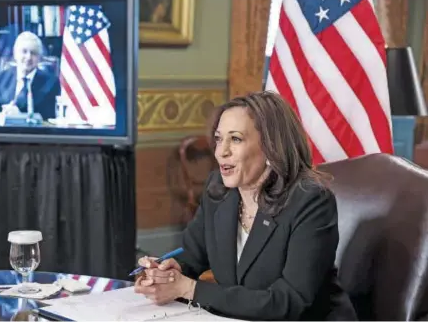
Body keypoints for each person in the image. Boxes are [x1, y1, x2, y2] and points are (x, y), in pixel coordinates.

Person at [134, 91, 357, 321]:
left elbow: (288, 301)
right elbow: (191, 255)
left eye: (236, 139)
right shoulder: (218, 191)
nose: (222, 151)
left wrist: (189, 289)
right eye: (219, 139)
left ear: (271, 147)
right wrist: (166, 273)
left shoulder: (310, 201)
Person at [0, 31, 59, 121]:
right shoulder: (0, 78)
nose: (28, 57)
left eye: (33, 53)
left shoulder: (50, 82)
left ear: (39, 58)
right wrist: (1, 116)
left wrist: (20, 116)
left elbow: (50, 117)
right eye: (24, 51)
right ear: (15, 54)